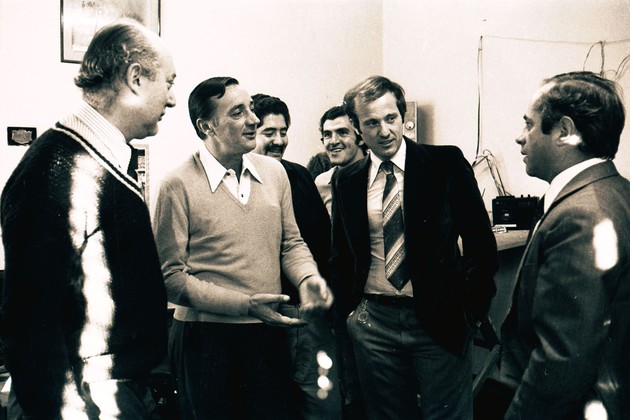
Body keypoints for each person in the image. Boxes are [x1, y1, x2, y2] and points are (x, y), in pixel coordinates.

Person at [0, 18, 176, 418]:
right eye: (169, 82)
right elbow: (31, 324)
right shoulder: (57, 173)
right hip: (87, 397)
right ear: (136, 78)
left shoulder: (95, 157)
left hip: (108, 388)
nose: (172, 99)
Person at [152, 77, 333, 419]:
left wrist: (307, 277)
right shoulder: (176, 184)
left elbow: (291, 243)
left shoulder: (275, 173)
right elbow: (170, 278)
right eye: (238, 113)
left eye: (250, 109)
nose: (253, 119)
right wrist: (245, 305)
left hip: (267, 334)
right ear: (207, 126)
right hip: (204, 339)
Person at [329, 75, 498, 419]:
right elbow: (341, 256)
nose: (384, 131)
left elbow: (481, 245)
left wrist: (470, 311)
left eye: (391, 118)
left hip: (437, 319)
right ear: (358, 129)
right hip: (373, 322)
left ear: (402, 117)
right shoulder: (347, 179)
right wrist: (349, 315)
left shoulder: (445, 163)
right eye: (371, 123)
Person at [499, 71, 630, 419]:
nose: (520, 137)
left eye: (529, 124)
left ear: (564, 131)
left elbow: (562, 359)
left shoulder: (581, 216)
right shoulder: (615, 192)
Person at [251, 93, 342, 419]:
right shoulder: (235, 183)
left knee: (322, 405)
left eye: (283, 131)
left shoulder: (300, 176)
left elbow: (321, 241)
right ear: (249, 131)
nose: (279, 140)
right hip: (257, 318)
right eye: (268, 132)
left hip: (304, 315)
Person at [315, 105, 367, 216]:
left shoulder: (377, 176)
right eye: (327, 135)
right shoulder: (322, 183)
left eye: (343, 132)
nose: (334, 141)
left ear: (361, 138)